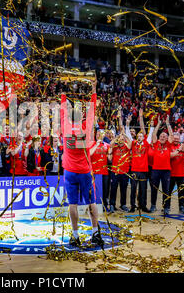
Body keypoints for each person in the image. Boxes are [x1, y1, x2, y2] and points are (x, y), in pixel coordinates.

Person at [61, 76, 103, 247]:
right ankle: (95, 233)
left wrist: (64, 91)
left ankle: (75, 234)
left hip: (70, 171)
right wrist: (93, 89)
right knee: (91, 202)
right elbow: (92, 109)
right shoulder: (86, 127)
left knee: (72, 204)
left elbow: (63, 108)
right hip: (85, 171)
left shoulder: (65, 127)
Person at [150, 115, 174, 215]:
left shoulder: (169, 144)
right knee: (154, 189)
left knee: (166, 190)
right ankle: (153, 205)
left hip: (166, 171)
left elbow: (171, 135)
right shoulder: (156, 144)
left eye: (165, 136)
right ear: (159, 138)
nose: (163, 137)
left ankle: (166, 207)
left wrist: (167, 123)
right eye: (161, 136)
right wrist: (158, 123)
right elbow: (153, 135)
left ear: (167, 138)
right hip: (155, 170)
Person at [167, 132, 184, 214]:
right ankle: (167, 207)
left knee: (181, 192)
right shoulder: (169, 146)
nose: (176, 140)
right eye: (175, 138)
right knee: (168, 191)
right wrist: (179, 149)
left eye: (177, 139)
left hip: (181, 174)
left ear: (180, 139)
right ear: (172, 139)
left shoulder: (183, 147)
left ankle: (181, 207)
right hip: (171, 173)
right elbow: (170, 156)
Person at [90, 130, 110, 212]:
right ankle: (93, 206)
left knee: (105, 190)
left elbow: (110, 157)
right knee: (94, 191)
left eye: (100, 134)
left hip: (104, 171)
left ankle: (105, 205)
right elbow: (89, 154)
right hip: (94, 172)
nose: (98, 136)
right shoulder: (91, 144)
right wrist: (97, 144)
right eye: (97, 134)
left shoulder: (107, 145)